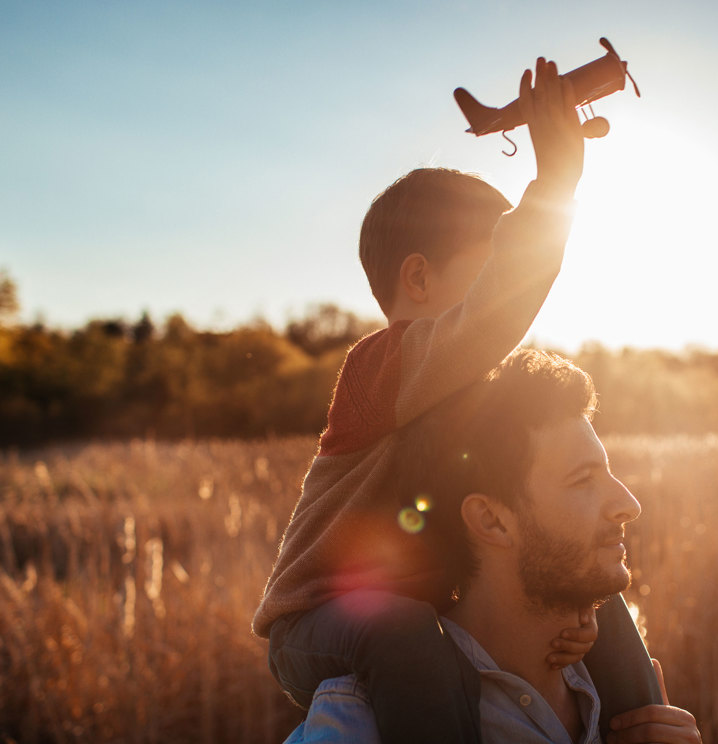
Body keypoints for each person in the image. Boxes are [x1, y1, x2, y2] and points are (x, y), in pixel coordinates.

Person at [254, 59, 661, 743]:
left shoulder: (472, 399)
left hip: (412, 604)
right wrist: (554, 186)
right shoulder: (380, 369)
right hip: (319, 620)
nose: (502, 300)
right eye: (490, 262)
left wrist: (577, 608)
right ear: (418, 278)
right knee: (406, 635)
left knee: (597, 582)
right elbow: (487, 321)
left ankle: (642, 725)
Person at [284, 349, 702, 744]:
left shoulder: (622, 691)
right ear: (492, 521)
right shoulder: (365, 721)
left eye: (609, 474)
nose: (629, 505)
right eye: (582, 481)